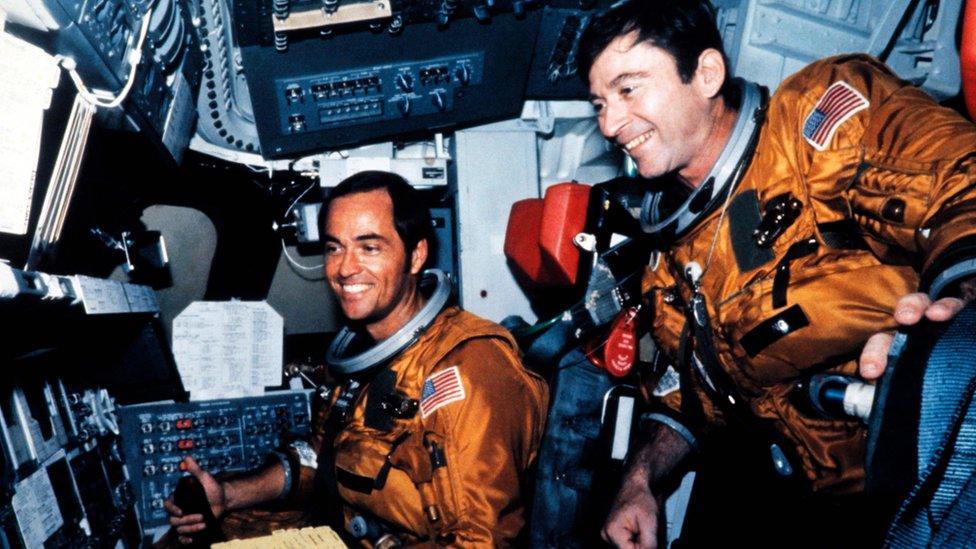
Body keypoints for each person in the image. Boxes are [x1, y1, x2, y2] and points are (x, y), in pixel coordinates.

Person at [578, 0, 976, 546]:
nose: (610, 123)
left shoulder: (812, 125)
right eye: (600, 103)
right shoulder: (668, 265)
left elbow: (955, 183)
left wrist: (963, 308)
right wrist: (640, 479)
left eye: (628, 89)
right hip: (796, 497)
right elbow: (686, 399)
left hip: (918, 487)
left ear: (707, 75)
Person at [164, 170, 549, 546]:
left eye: (369, 247)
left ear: (415, 257)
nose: (345, 268)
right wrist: (229, 496)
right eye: (334, 247)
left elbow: (479, 541)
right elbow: (323, 459)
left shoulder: (468, 367)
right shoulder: (357, 361)